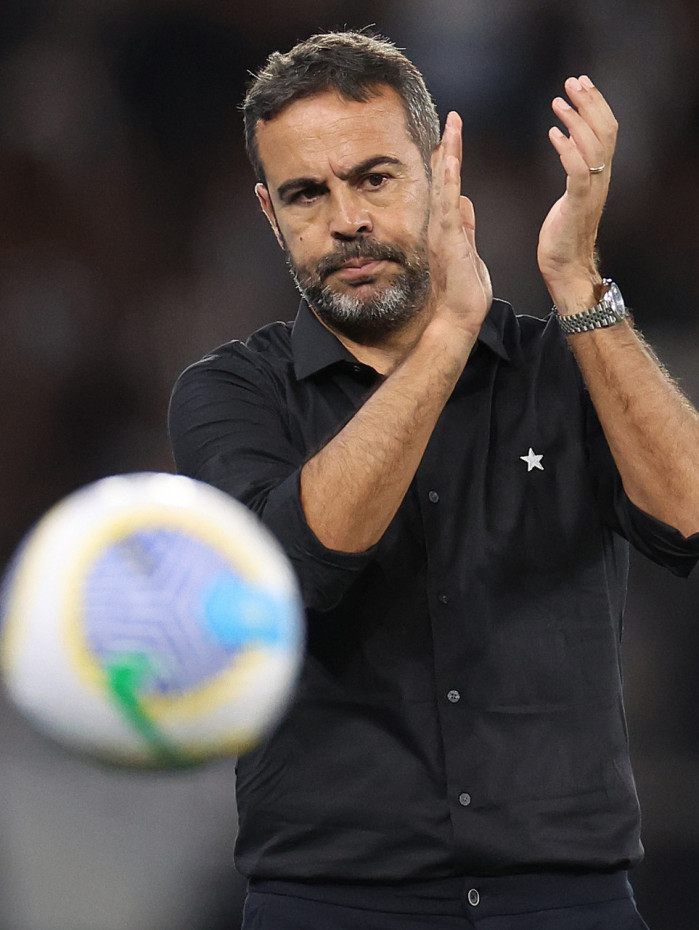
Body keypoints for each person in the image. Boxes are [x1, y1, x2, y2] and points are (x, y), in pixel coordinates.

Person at [168, 30, 699, 930]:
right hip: (330, 901)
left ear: (440, 171)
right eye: (305, 194)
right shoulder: (229, 392)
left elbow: (686, 517)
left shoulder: (562, 366)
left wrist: (575, 279)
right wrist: (449, 336)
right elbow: (299, 564)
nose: (343, 220)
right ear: (268, 211)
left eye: (373, 178)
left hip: (567, 897)